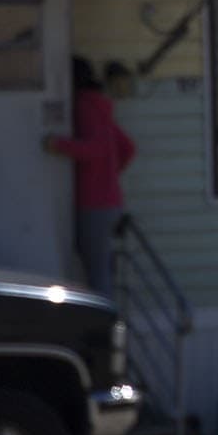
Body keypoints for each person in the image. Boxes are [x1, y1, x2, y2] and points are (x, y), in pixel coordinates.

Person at [45, 57, 137, 297]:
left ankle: (104, 330)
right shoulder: (101, 107)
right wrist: (108, 175)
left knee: (96, 274)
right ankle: (104, 325)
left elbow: (94, 148)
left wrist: (58, 145)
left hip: (93, 206)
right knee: (100, 270)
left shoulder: (83, 106)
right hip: (111, 203)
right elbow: (127, 148)